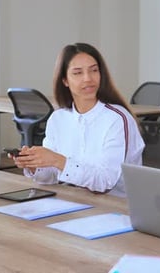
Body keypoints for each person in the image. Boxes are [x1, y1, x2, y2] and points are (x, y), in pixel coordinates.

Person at [11, 42, 145, 196]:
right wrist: (34, 165)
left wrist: (57, 160)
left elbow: (106, 182)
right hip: (74, 202)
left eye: (94, 70)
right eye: (78, 73)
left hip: (115, 208)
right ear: (65, 81)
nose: (88, 78)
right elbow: (52, 176)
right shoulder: (58, 118)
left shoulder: (117, 119)